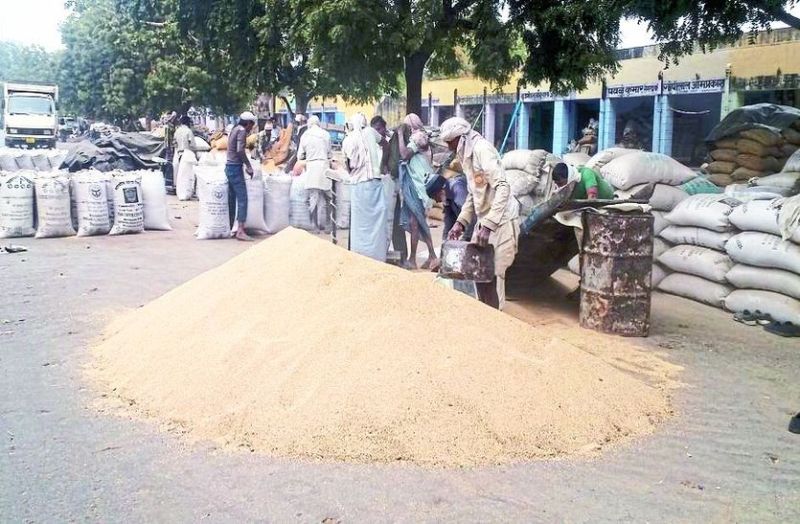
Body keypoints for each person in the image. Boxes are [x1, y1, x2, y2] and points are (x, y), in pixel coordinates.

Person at [440, 116, 519, 310]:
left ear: (460, 138)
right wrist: (461, 222)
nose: (449, 147)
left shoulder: (482, 150)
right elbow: (474, 193)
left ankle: (496, 317)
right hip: (484, 221)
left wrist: (489, 225)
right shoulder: (466, 155)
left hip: (501, 221)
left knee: (493, 275)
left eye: (450, 142)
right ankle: (484, 314)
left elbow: (503, 187)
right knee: (477, 272)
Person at [342, 113, 388, 261]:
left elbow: (348, 165)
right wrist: (382, 165)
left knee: (360, 225)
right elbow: (385, 144)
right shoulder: (371, 132)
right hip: (374, 182)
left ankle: (360, 257)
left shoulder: (348, 140)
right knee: (377, 222)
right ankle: (377, 256)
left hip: (359, 186)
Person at [396, 113, 438, 269]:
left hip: (419, 186)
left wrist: (400, 135)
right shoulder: (421, 136)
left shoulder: (418, 137)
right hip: (419, 184)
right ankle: (428, 256)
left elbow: (404, 154)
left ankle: (416, 259)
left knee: (416, 221)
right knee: (416, 222)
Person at [296, 115, 332, 232]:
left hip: (312, 167)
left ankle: (315, 225)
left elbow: (300, 155)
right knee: (328, 197)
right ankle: (328, 224)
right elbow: (329, 153)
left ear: (309, 124)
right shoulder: (326, 134)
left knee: (313, 197)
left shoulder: (305, 135)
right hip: (324, 167)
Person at [226, 111, 257, 241]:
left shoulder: (234, 129)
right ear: (248, 123)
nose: (251, 128)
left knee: (231, 199)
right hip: (235, 168)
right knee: (243, 198)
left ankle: (230, 228)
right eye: (252, 125)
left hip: (229, 167)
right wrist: (248, 166)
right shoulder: (242, 131)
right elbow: (240, 150)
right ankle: (240, 230)